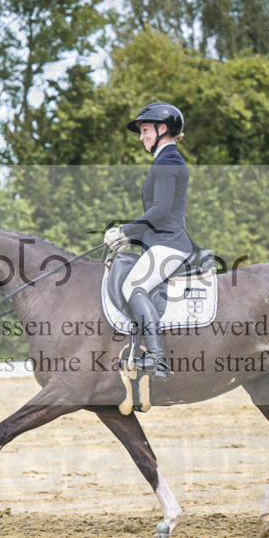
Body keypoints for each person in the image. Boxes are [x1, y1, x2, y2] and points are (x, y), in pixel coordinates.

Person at [103, 102, 196, 379]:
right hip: (162, 241)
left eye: (144, 130)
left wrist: (125, 231)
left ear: (162, 128)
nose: (142, 137)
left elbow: (161, 211)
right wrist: (130, 238)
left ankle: (157, 358)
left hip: (171, 244)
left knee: (134, 285)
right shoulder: (165, 161)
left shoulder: (168, 162)